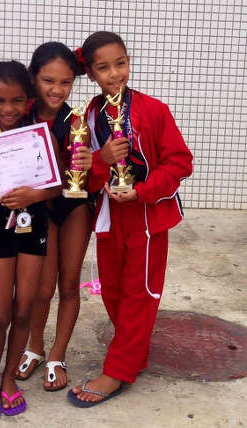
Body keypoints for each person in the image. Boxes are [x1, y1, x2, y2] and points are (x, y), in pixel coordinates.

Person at [67, 31, 193, 407]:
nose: (115, 73)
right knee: (113, 289)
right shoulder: (88, 115)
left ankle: (118, 370)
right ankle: (132, 354)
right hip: (108, 216)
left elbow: (179, 161)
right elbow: (86, 172)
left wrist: (145, 190)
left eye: (120, 63)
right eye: (103, 67)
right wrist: (102, 165)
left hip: (146, 216)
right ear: (90, 73)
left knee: (141, 293)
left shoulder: (153, 110)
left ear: (129, 62)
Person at [0, 60, 60, 418]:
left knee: (23, 310)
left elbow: (58, 185)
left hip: (35, 230)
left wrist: (33, 196)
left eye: (17, 101)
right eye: (0, 101)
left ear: (29, 100)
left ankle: (8, 379)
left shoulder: (40, 136)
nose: (8, 109)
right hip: (1, 230)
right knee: (1, 311)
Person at [16, 42, 93, 392]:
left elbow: (81, 174)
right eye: (48, 80)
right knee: (42, 288)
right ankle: (35, 345)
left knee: (69, 283)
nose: (57, 90)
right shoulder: (20, 114)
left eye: (66, 82)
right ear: (33, 77)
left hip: (74, 205)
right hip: (38, 207)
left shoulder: (77, 120)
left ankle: (57, 355)